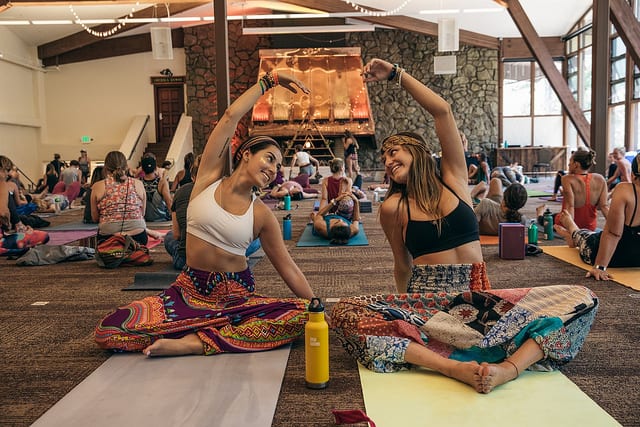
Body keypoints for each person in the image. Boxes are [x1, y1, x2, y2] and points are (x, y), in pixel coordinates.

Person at [330, 58, 598, 394]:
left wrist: (397, 74)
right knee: (343, 312)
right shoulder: (394, 207)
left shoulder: (454, 178)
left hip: (478, 298)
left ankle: (507, 370)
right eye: (384, 157)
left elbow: (442, 112)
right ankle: (451, 366)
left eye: (393, 151)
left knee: (582, 298)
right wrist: (402, 313)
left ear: (417, 151)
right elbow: (402, 264)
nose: (387, 160)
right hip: (429, 301)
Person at [95, 70, 319, 357]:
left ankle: (194, 342)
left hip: (236, 298)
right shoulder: (207, 180)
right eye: (269, 158)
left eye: (278, 166)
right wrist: (269, 81)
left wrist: (317, 306)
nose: (274, 169)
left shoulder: (262, 215)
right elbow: (229, 117)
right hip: (188, 292)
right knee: (109, 330)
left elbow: (289, 268)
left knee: (300, 316)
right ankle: (210, 332)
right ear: (247, 154)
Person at [554, 153, 640, 280]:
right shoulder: (600, 179)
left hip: (615, 258)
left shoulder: (625, 190)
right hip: (636, 260)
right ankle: (571, 229)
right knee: (591, 234)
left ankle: (571, 228)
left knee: (584, 237)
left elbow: (613, 233)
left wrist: (600, 267)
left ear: (633, 175)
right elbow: (604, 208)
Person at [536, 149, 609, 232]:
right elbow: (604, 207)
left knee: (546, 219)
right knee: (554, 215)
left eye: (570, 161)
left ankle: (540, 213)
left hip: (569, 223)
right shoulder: (600, 178)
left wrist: (573, 232)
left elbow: (570, 206)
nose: (568, 164)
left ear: (576, 164)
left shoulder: (567, 179)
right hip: (590, 226)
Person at [90, 151, 148, 246]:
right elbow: (142, 213)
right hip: (138, 236)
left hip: (109, 237)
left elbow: (95, 218)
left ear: (106, 168)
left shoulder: (98, 186)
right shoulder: (138, 184)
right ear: (126, 166)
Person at [0, 156, 49, 256]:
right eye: (7, 170)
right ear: (2, 169)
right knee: (43, 236)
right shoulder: (3, 184)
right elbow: (3, 213)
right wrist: (9, 224)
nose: (8, 174)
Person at [165, 156, 200, 270]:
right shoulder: (223, 190)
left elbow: (177, 234)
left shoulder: (180, 178)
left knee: (169, 236)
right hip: (220, 260)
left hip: (186, 260)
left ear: (193, 176)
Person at [140, 156, 172, 222]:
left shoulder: (138, 183)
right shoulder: (162, 182)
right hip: (162, 220)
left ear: (142, 169)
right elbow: (169, 202)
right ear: (155, 168)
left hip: (143, 221)